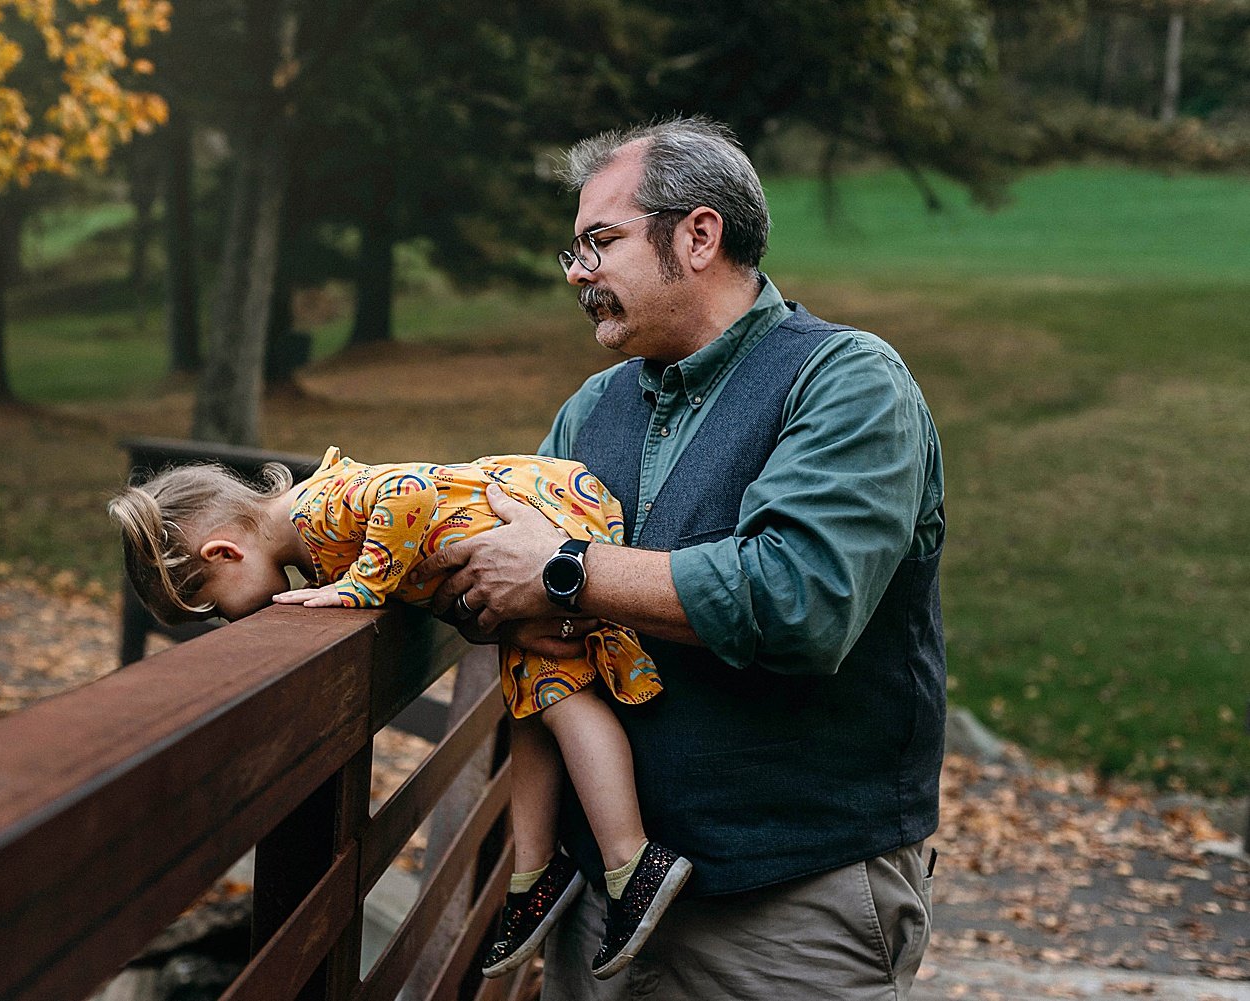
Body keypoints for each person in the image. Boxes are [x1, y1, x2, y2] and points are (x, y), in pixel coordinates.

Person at [406, 116, 947, 999]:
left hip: (790, 911)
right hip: (601, 909)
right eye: (572, 251)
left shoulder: (850, 381)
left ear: (699, 235)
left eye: (600, 242)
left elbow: (797, 601)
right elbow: (500, 573)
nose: (578, 273)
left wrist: (564, 572)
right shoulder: (591, 407)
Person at [107, 448, 694, 980]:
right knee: (533, 704)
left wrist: (364, 585)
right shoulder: (310, 530)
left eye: (212, 603)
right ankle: (536, 875)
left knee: (563, 703)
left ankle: (633, 862)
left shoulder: (314, 509)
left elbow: (409, 492)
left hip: (544, 522)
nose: (227, 620)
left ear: (224, 553)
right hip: (535, 521)